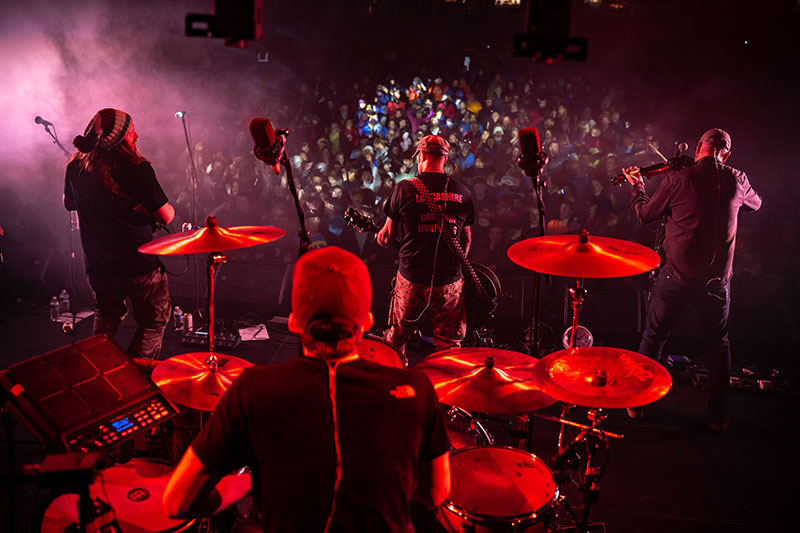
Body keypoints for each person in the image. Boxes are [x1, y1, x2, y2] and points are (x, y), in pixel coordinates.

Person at [163, 246, 451, 532]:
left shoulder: (253, 389)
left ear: (294, 322)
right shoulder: (417, 389)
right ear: (367, 322)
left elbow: (177, 502)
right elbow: (435, 493)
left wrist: (244, 484)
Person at [622, 128, 762, 431]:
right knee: (718, 343)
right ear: (726, 153)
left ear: (699, 147)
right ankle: (718, 415)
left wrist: (637, 186)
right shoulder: (736, 178)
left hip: (676, 277)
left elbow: (646, 214)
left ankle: (639, 404)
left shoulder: (679, 178)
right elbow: (756, 204)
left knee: (654, 337)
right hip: (716, 284)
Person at [63, 108, 175, 359]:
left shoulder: (75, 167)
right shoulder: (138, 169)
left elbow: (68, 203)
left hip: (99, 263)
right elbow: (166, 215)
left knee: (107, 316)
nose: (137, 135)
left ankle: (102, 375)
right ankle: (136, 376)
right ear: (121, 138)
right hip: (138, 263)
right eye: (131, 131)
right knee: (153, 322)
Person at [377, 134, 475, 356]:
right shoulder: (463, 192)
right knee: (448, 343)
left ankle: (396, 381)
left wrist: (380, 238)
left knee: (398, 336)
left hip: (412, 279)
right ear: (445, 159)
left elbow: (387, 236)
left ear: (420, 156)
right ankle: (446, 386)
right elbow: (466, 239)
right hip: (449, 282)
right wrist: (455, 268)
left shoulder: (404, 189)